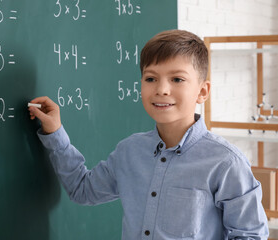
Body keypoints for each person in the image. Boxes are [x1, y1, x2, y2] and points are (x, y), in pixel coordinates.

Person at [28, 29, 269, 239]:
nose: (162, 89)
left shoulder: (226, 163)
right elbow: (83, 190)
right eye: (151, 78)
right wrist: (55, 132)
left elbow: (249, 235)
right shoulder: (129, 151)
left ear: (202, 91)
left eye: (177, 79)